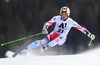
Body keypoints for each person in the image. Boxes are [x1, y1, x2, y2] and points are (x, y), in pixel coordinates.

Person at [27, 6, 95, 50]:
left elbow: (81, 28)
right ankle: (27, 48)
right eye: (62, 13)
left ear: (68, 14)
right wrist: (45, 28)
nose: (63, 15)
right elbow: (48, 23)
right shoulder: (56, 18)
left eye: (65, 14)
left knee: (62, 35)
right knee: (41, 42)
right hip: (53, 35)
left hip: (61, 39)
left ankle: (48, 46)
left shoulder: (70, 22)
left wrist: (89, 34)